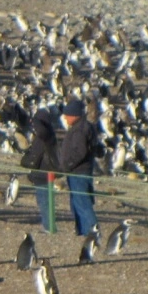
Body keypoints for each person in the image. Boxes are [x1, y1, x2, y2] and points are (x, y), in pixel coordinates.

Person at [59, 99, 99, 236]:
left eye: (67, 114)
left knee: (82, 204)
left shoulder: (80, 130)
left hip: (78, 172)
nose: (65, 117)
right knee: (78, 203)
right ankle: (83, 232)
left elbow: (80, 152)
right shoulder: (84, 126)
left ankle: (92, 232)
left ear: (74, 115)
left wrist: (67, 165)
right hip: (80, 171)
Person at [20, 108, 62, 230]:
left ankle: (49, 227)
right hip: (41, 173)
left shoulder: (46, 134)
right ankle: (48, 225)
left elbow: (41, 131)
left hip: (44, 173)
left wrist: (36, 120)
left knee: (45, 201)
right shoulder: (45, 134)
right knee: (43, 201)